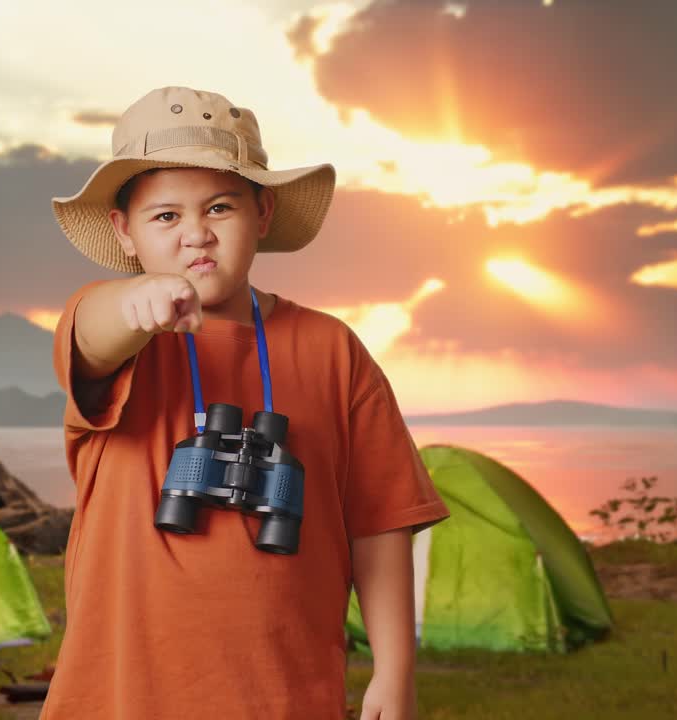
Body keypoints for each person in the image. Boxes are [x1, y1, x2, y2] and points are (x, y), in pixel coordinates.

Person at [42, 86, 449, 720]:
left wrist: (394, 673)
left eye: (220, 209)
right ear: (124, 232)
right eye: (165, 217)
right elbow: (92, 336)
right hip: (123, 697)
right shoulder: (118, 336)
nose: (196, 236)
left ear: (262, 214)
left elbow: (380, 522)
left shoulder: (331, 349)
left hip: (286, 694)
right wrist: (134, 307)